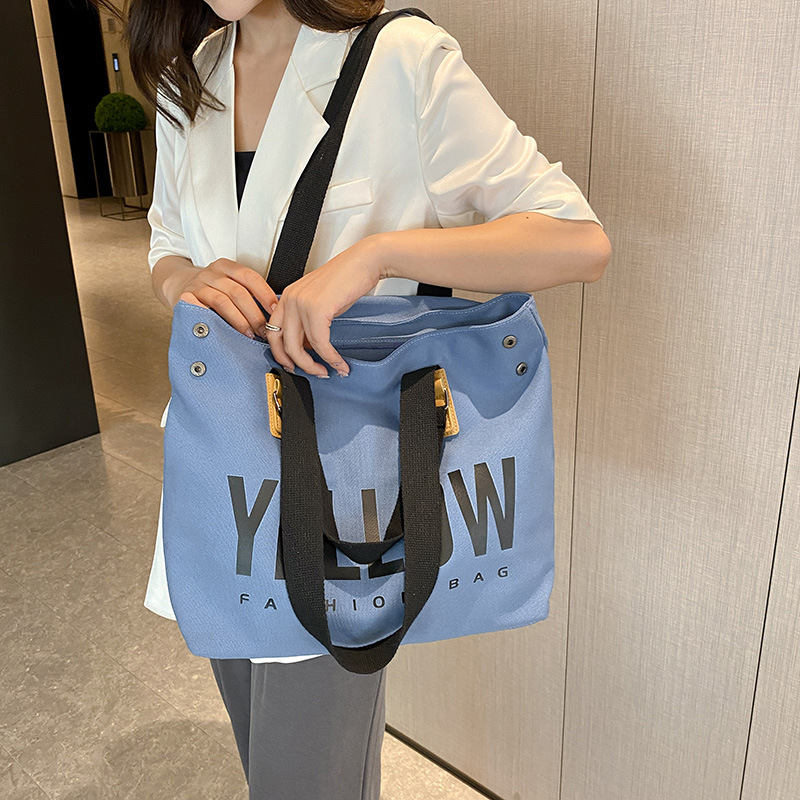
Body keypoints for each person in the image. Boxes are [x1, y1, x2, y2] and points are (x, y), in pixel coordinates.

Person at [93, 1, 610, 797]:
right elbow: (166, 240)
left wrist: (378, 256)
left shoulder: (401, 58)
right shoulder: (187, 79)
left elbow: (578, 242)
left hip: (345, 492)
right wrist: (187, 281)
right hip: (221, 472)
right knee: (267, 752)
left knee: (306, 780)